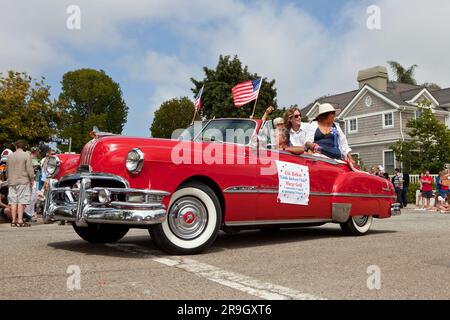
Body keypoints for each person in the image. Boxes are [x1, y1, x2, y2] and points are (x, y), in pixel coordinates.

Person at [6, 140, 35, 227]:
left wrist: (9, 178)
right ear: (23, 147)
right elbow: (30, 169)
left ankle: (13, 221)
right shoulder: (26, 155)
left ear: (16, 146)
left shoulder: (10, 156)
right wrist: (32, 179)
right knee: (21, 201)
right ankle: (20, 220)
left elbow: (7, 170)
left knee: (13, 201)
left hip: (11, 181)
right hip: (22, 180)